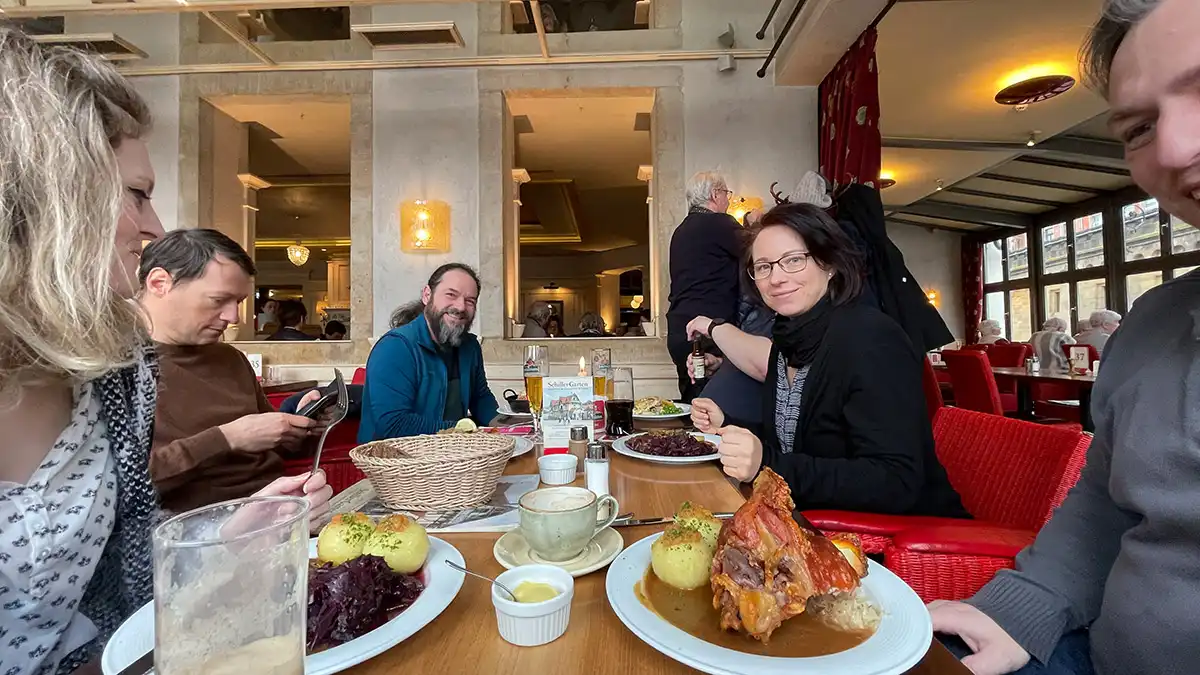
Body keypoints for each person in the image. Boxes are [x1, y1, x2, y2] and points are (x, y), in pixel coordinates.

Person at [0, 29, 330, 675]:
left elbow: (125, 569)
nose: (153, 227)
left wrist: (225, 538)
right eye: (138, 195)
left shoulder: (116, 371)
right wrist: (230, 439)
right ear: (49, 197)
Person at [929, 2, 1200, 674]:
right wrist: (1022, 603)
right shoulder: (1154, 323)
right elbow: (1107, 503)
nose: (1171, 148)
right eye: (1138, 128)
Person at [686, 203, 966, 517]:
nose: (775, 277)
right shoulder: (787, 339)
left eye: (793, 260)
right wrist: (728, 424)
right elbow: (794, 443)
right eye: (763, 266)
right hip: (808, 519)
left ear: (829, 264)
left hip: (897, 544)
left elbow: (896, 481)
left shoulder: (872, 339)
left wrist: (765, 462)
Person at [138, 229, 325, 513]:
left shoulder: (231, 358)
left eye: (237, 302)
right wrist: (228, 437)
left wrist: (300, 425)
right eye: (218, 300)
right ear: (160, 283)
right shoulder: (119, 368)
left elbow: (273, 448)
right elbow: (122, 486)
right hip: (194, 528)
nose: (233, 317)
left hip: (280, 507)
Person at [358, 263, 500, 440]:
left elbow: (481, 398)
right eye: (451, 295)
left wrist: (508, 427)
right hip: (395, 462)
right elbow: (393, 425)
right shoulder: (395, 347)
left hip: (452, 454)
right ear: (427, 295)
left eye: (470, 301)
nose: (461, 307)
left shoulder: (470, 346)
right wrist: (464, 432)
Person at [666, 171, 743, 402]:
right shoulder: (720, 223)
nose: (728, 201)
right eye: (726, 194)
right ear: (714, 194)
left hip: (679, 331)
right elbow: (758, 253)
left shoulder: (681, 231)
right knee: (715, 410)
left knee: (693, 406)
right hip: (708, 330)